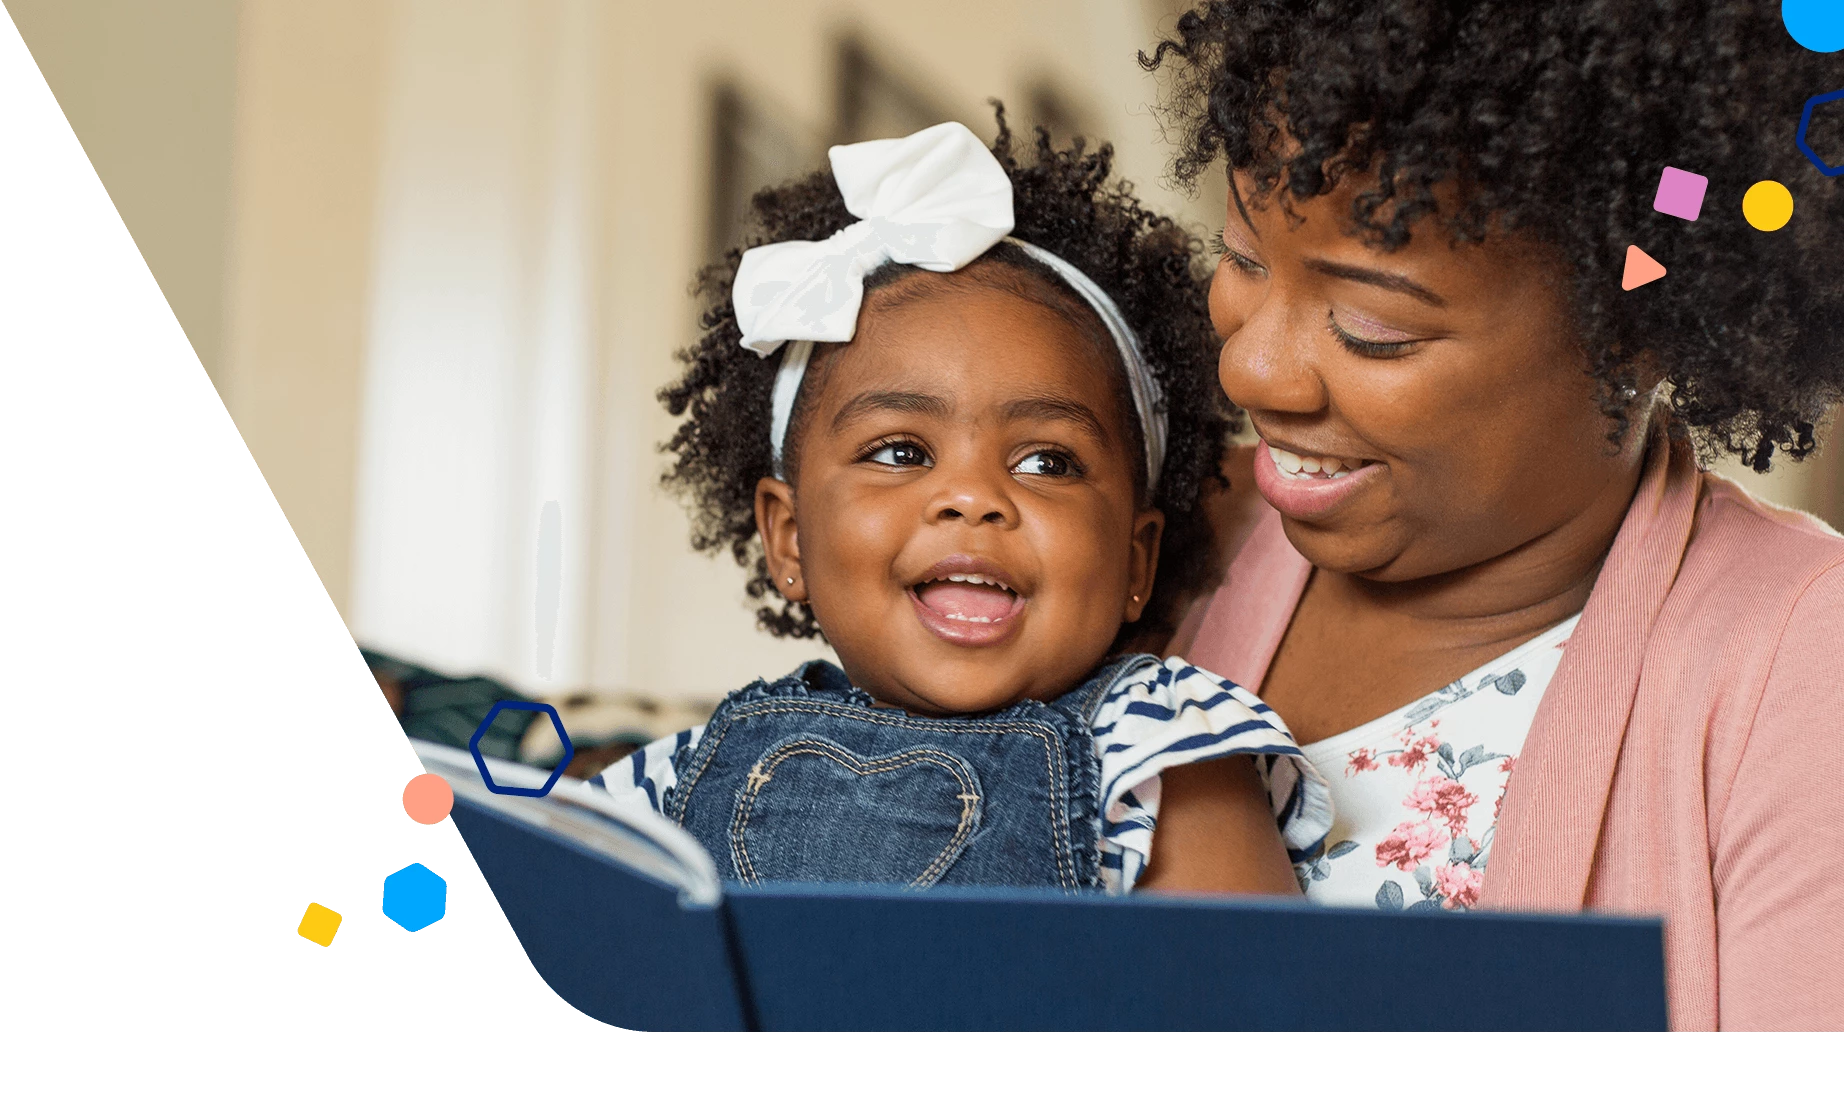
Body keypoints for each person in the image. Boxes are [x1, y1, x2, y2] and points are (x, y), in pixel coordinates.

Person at [1146, 0, 1842, 1028]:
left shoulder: (1801, 669)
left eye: (1371, 327)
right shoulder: (1156, 537)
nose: (1249, 366)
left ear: (1635, 328)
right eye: (1243, 255)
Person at [593, 114, 1330, 896]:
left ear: (1135, 560)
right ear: (789, 539)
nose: (973, 499)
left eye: (1048, 462)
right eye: (901, 453)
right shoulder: (683, 772)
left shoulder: (1161, 751)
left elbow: (1243, 998)